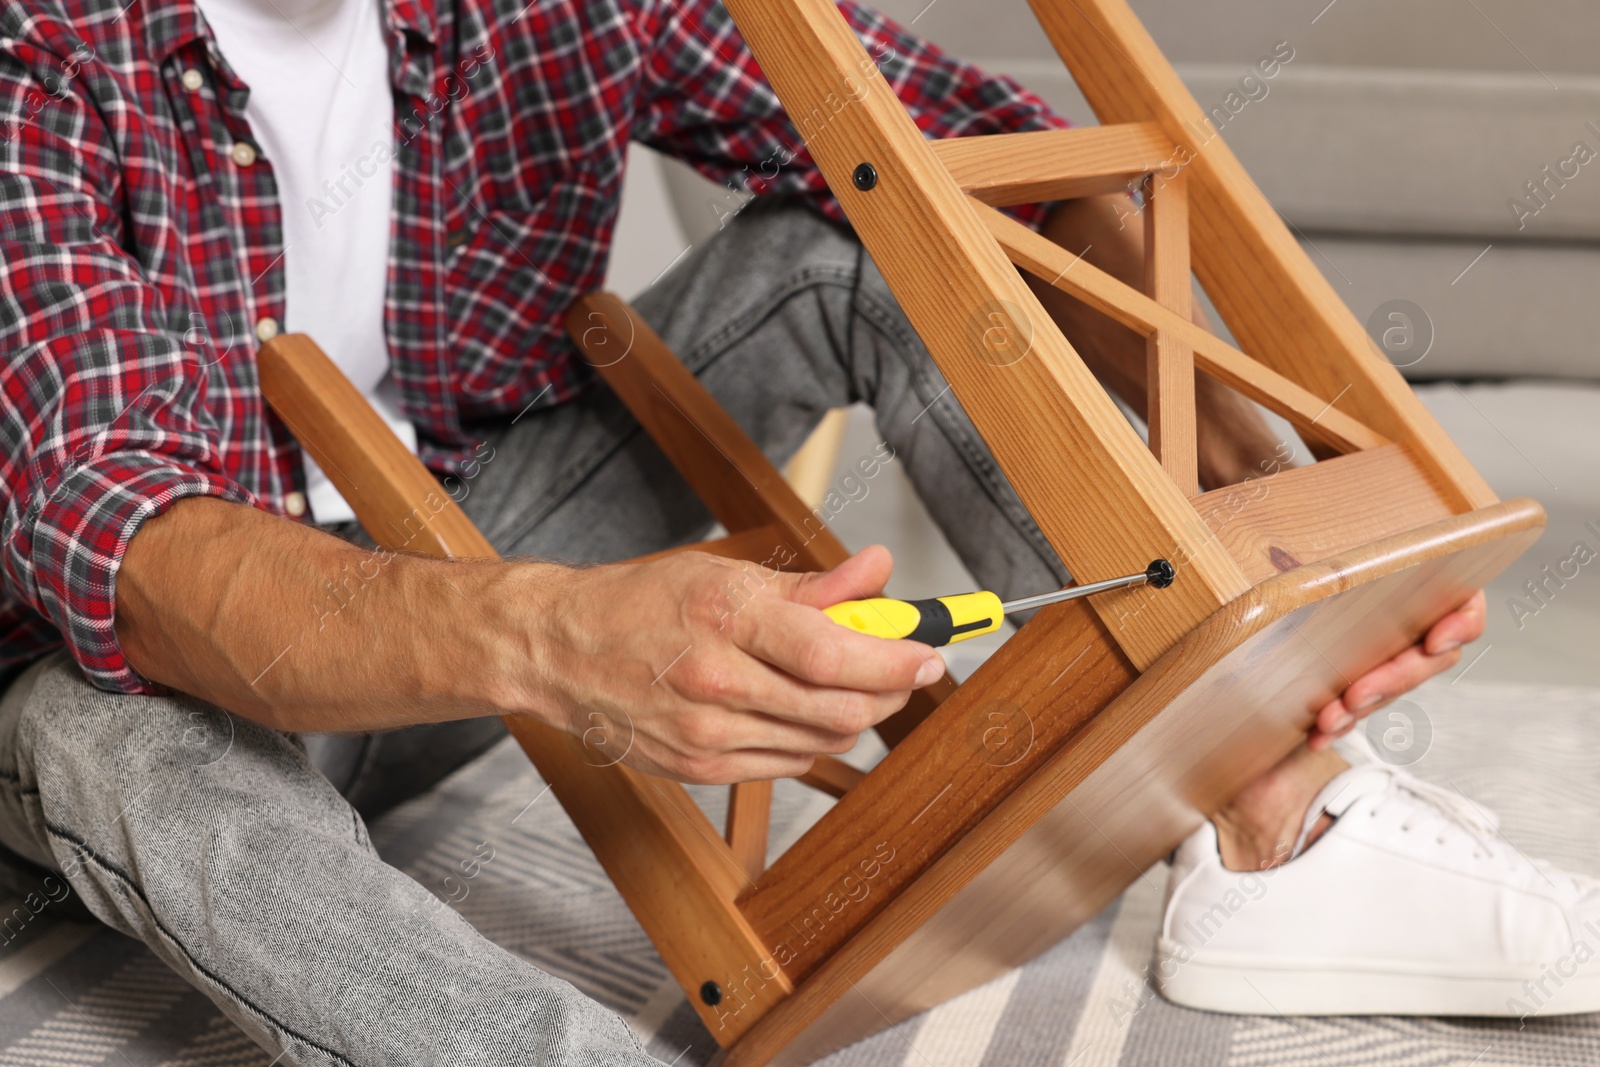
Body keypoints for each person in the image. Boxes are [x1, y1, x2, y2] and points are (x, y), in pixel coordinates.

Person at [0, 0, 1592, 1062]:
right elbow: (137, 558)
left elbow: (979, 171)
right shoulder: (38, 53)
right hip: (157, 647)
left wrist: (1257, 520)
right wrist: (564, 639)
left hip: (448, 543)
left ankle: (1276, 827)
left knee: (848, 252)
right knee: (102, 731)